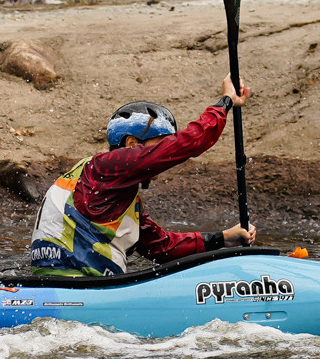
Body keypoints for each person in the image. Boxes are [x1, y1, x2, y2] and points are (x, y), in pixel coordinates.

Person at [28, 78, 256, 275]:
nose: (163, 153)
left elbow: (162, 248)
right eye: (161, 143)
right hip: (77, 284)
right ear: (131, 144)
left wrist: (224, 238)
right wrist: (225, 102)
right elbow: (185, 145)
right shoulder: (106, 167)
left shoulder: (107, 187)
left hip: (74, 282)